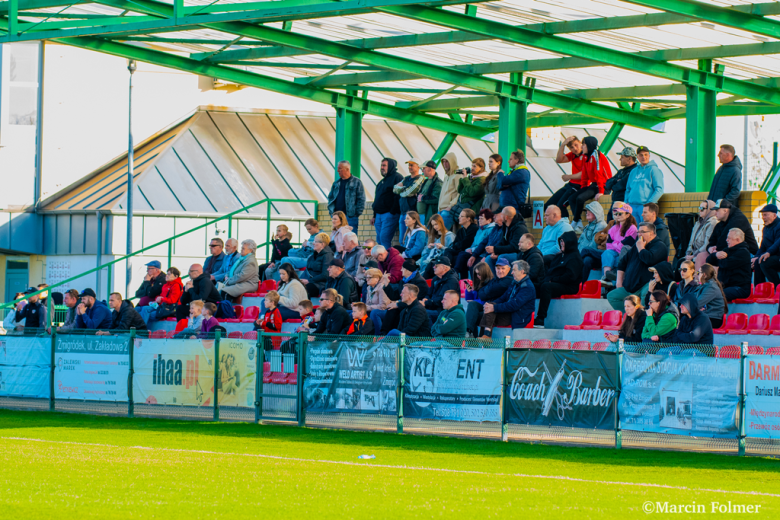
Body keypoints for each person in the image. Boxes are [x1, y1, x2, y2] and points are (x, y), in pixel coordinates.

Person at [606, 222, 668, 310]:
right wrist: (619, 283)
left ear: (651, 233)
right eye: (638, 232)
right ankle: (631, 317)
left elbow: (649, 260)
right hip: (631, 286)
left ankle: (642, 319)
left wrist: (641, 248)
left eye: (642, 232)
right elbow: (622, 263)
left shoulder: (659, 246)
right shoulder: (637, 245)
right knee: (612, 296)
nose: (639, 234)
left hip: (648, 284)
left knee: (645, 294)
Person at [534, 231, 583, 328]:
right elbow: (550, 272)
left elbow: (570, 277)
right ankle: (525, 317)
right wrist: (548, 279)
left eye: (563, 242)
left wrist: (553, 280)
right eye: (560, 242)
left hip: (569, 286)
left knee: (546, 287)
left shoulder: (575, 257)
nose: (561, 244)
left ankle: (540, 319)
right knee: (533, 286)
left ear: (569, 242)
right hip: (556, 282)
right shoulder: (559, 256)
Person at [480, 260, 536, 336]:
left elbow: (514, 305)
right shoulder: (515, 282)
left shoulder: (527, 287)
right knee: (487, 311)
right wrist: (491, 305)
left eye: (514, 270)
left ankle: (486, 337)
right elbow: (503, 298)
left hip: (518, 317)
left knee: (490, 311)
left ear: (522, 271)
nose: (512, 272)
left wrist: (494, 307)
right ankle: (484, 337)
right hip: (509, 312)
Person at [570, 136, 612, 231]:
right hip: (594, 184)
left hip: (603, 184)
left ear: (589, 145)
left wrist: (601, 191)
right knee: (572, 198)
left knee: (580, 198)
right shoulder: (585, 157)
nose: (582, 147)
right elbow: (584, 174)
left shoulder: (596, 155)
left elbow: (599, 174)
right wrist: (583, 188)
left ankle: (575, 221)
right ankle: (579, 222)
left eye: (583, 144)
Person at [465, 259, 512, 337]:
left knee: (474, 314)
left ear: (509, 269)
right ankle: (468, 332)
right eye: (498, 268)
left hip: (497, 310)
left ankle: (473, 339)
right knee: (472, 306)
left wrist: (484, 292)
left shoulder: (508, 280)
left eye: (503, 268)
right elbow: (478, 295)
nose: (500, 271)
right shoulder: (494, 280)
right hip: (488, 307)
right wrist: (469, 292)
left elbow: (483, 295)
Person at [705, 199, 759, 264]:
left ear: (725, 210)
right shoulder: (719, 225)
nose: (715, 213)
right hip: (729, 252)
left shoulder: (738, 219)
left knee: (718, 259)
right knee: (702, 256)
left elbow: (725, 241)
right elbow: (711, 242)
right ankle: (700, 274)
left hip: (747, 254)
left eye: (717, 210)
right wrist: (710, 248)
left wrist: (716, 252)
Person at [599, 202, 638, 284]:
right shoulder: (613, 228)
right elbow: (608, 246)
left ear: (627, 215)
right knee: (607, 253)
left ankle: (611, 282)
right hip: (614, 253)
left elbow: (624, 246)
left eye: (620, 213)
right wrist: (617, 244)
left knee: (614, 259)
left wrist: (615, 243)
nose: (617, 215)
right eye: (616, 213)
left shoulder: (632, 228)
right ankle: (606, 277)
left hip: (625, 255)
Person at [483, 206, 528, 272]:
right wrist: (495, 252)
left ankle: (507, 280)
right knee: (488, 259)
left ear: (506, 217)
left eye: (502, 215)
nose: (500, 216)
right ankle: (496, 280)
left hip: (520, 254)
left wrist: (495, 249)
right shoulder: (505, 225)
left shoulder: (519, 228)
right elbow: (502, 242)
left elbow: (514, 247)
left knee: (502, 257)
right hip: (509, 252)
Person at [549, 136, 584, 220]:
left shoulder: (586, 155)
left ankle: (565, 226)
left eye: (576, 145)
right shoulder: (572, 155)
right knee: (549, 205)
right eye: (572, 147)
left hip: (579, 186)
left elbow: (584, 174)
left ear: (580, 142)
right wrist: (562, 145)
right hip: (571, 184)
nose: (575, 148)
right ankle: (554, 225)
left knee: (560, 205)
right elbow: (559, 160)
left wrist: (568, 176)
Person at [372, 158, 403, 249]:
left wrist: (392, 211)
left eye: (384, 165)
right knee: (379, 239)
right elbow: (377, 198)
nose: (382, 167)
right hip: (378, 215)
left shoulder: (397, 177)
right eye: (381, 165)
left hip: (389, 214)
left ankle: (386, 260)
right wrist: (374, 215)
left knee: (384, 238)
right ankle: (381, 259)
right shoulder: (381, 182)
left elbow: (398, 196)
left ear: (391, 166)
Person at [435, 209, 477, 276]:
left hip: (467, 252)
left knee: (457, 256)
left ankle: (451, 273)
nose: (458, 217)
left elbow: (465, 244)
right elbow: (455, 244)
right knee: (447, 250)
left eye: (461, 216)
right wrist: (458, 245)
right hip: (460, 251)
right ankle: (445, 269)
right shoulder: (461, 230)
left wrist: (458, 245)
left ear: (468, 219)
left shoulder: (473, 228)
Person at [625, 146, 664, 217]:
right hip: (631, 206)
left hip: (645, 206)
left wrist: (649, 204)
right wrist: (626, 202)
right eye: (641, 155)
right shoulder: (633, 171)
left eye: (645, 154)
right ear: (637, 157)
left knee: (645, 227)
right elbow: (628, 189)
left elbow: (659, 189)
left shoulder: (654, 170)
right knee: (633, 228)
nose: (643, 157)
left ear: (649, 155)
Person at [327, 160, 365, 231]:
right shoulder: (336, 183)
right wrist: (332, 213)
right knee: (337, 238)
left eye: (340, 168)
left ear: (347, 169)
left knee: (350, 239)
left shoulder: (357, 182)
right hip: (337, 217)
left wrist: (356, 214)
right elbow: (330, 198)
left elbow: (361, 199)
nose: (338, 170)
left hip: (350, 217)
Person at [715, 228, 753, 301]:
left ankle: (716, 312)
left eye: (729, 238)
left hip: (740, 288)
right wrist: (716, 255)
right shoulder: (727, 250)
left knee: (718, 295)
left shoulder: (743, 253)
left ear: (737, 240)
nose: (726, 240)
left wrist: (719, 259)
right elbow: (711, 260)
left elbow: (726, 264)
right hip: (727, 287)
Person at [394, 158, 426, 238]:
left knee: (410, 238)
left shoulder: (420, 178)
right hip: (402, 213)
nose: (409, 167)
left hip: (412, 214)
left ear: (418, 167)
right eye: (409, 165)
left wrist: (401, 190)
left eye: (412, 165)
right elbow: (394, 189)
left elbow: (409, 192)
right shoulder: (406, 178)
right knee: (402, 239)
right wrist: (404, 190)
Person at [456, 209, 494, 276]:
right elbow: (474, 243)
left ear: (489, 220)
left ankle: (455, 273)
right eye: (479, 218)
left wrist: (473, 250)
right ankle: (464, 281)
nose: (479, 220)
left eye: (482, 218)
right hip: (475, 252)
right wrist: (470, 249)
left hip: (482, 254)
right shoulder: (480, 229)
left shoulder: (491, 230)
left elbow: (485, 245)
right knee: (462, 255)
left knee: (467, 259)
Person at [423, 257, 460, 324]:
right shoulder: (435, 279)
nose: (433, 267)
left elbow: (442, 300)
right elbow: (429, 294)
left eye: (436, 265)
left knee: (422, 313)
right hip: (434, 308)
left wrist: (427, 302)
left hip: (445, 314)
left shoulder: (452, 281)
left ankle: (432, 334)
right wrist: (425, 299)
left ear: (444, 267)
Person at [577, 200, 608, 281]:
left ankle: (582, 284)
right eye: (586, 211)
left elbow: (594, 246)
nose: (586, 213)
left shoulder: (602, 226)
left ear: (596, 213)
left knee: (587, 260)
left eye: (589, 211)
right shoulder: (587, 226)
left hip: (596, 256)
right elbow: (579, 241)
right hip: (584, 254)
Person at [604, 147, 638, 220]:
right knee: (610, 223)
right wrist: (616, 181)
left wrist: (616, 184)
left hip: (624, 203)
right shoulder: (621, 171)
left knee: (619, 225)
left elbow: (621, 185)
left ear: (629, 158)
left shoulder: (634, 171)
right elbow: (607, 184)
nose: (620, 159)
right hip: (615, 202)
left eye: (622, 157)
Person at [687, 200, 719, 270]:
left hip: (702, 255)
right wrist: (687, 254)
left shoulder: (712, 223)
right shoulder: (698, 222)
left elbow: (706, 245)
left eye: (702, 209)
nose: (699, 210)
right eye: (699, 208)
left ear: (709, 210)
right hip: (694, 254)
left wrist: (693, 256)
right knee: (680, 264)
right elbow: (691, 241)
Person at [753, 204, 780, 285]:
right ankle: (759, 290)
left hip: (777, 255)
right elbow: (763, 246)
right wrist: (756, 257)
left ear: (774, 215)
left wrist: (768, 253)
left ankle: (777, 288)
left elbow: (777, 244)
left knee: (765, 263)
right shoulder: (765, 228)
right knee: (756, 262)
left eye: (765, 215)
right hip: (771, 255)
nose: (763, 217)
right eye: (762, 215)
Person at [301, 232, 334, 298]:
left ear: (322, 244)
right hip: (310, 281)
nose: (313, 243)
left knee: (302, 290)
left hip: (319, 284)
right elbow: (307, 270)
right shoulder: (313, 255)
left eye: (316, 242)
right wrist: (300, 280)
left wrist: (308, 281)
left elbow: (325, 275)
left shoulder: (328, 256)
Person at [695, 264, 728, 329]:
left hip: (714, 318)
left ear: (704, 275)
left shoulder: (711, 287)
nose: (697, 275)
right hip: (708, 316)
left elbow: (698, 303)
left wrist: (698, 308)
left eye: (698, 273)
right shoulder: (705, 286)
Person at [437, 152, 465, 230]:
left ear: (452, 162)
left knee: (442, 233)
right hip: (440, 210)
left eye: (447, 162)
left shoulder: (457, 175)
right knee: (438, 234)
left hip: (448, 210)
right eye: (443, 162)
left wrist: (451, 205)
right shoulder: (446, 176)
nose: (444, 164)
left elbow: (460, 193)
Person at [363, 268, 392, 333]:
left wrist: (368, 308)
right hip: (374, 309)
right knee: (356, 312)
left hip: (386, 311)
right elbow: (367, 304)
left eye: (369, 277)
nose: (366, 279)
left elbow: (383, 306)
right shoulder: (368, 288)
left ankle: (378, 336)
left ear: (377, 279)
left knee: (374, 313)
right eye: (366, 277)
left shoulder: (382, 287)